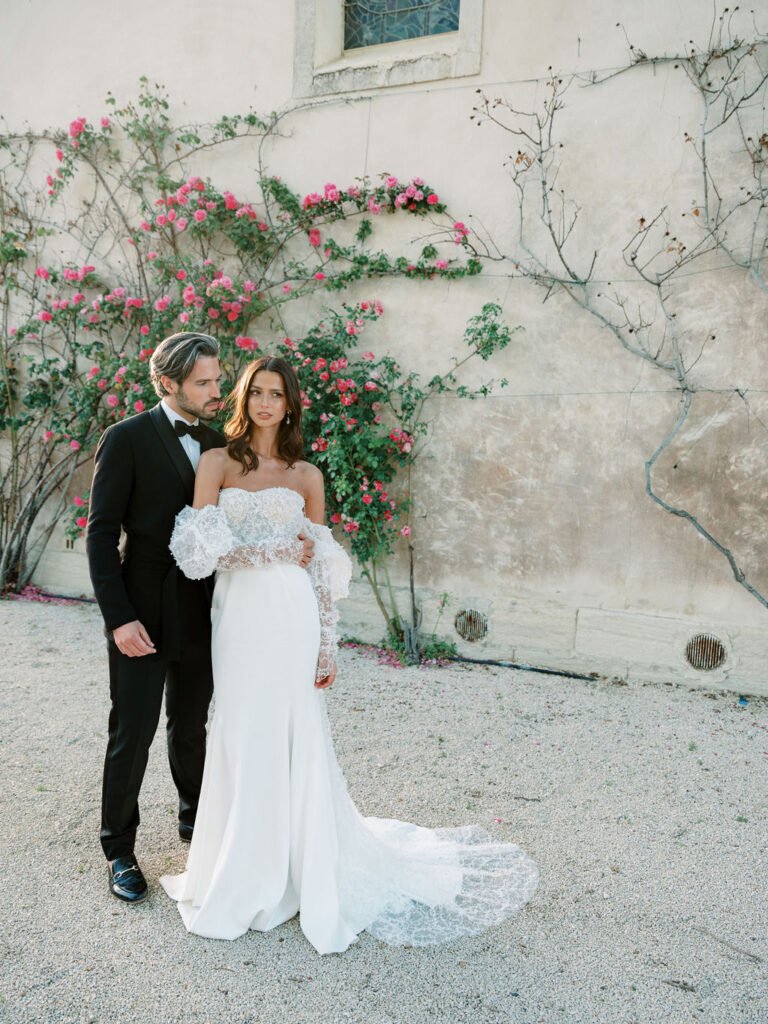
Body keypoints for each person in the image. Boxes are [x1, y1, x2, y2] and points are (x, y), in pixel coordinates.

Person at [160, 354, 539, 954]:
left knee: (296, 731)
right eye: (256, 392)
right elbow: (199, 554)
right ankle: (238, 867)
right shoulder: (216, 463)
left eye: (277, 394)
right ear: (242, 398)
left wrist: (327, 643)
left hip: (292, 620)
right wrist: (277, 551)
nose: (265, 403)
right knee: (238, 729)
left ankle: (301, 869)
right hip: (238, 621)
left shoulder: (307, 475)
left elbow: (323, 567)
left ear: (290, 404)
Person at [86, 333, 314, 904]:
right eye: (205, 383)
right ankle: (119, 849)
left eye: (218, 381)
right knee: (130, 733)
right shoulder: (126, 439)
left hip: (208, 609)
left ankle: (196, 824)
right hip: (141, 608)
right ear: (168, 383)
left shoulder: (222, 446)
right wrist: (119, 618)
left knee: (192, 726)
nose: (218, 392)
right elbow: (99, 534)